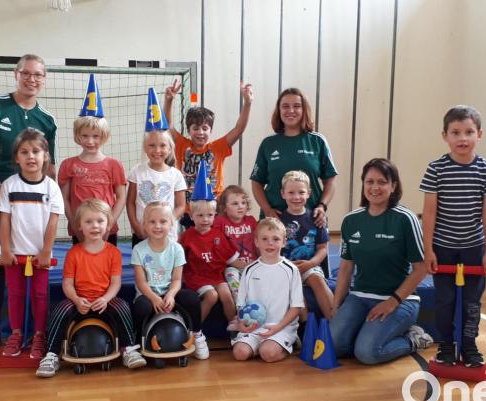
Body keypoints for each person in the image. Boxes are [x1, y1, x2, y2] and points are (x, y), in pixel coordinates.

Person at [0, 54, 58, 350]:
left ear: (44, 79)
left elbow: (51, 165)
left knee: (25, 269)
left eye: (38, 75)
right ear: (16, 74)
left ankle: (33, 332)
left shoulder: (47, 119)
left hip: (32, 200)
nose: (32, 79)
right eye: (27, 73)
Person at [420, 105, 486, 368]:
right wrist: (428, 249)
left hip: (473, 247)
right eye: (455, 132)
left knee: (471, 301)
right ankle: (446, 344)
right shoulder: (436, 169)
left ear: (479, 134)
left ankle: (469, 345)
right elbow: (429, 212)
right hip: (443, 246)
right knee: (444, 299)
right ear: (445, 135)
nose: (462, 138)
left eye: (468, 132)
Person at [328, 158, 433, 365]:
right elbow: (346, 267)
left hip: (400, 300)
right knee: (334, 345)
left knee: (367, 353)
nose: (375, 187)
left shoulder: (405, 219)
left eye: (382, 182)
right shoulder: (352, 220)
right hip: (360, 297)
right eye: (369, 181)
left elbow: (421, 270)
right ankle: (367, 333)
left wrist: (392, 301)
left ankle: (413, 339)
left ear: (393, 186)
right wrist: (336, 305)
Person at [36, 199, 147, 377]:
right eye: (88, 222)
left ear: (108, 224)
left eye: (100, 221)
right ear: (79, 226)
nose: (95, 226)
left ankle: (129, 349)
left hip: (104, 301)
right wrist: (77, 300)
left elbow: (115, 283)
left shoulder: (113, 252)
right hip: (80, 301)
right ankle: (51, 354)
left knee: (123, 307)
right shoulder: (74, 253)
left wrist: (106, 299)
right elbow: (67, 284)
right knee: (60, 309)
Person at [250, 88, 337, 276]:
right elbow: (256, 182)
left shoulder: (317, 142)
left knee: (312, 276)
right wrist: (267, 210)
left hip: (309, 221)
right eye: (285, 106)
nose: (291, 111)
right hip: (276, 220)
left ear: (304, 110)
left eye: (296, 106)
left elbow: (330, 180)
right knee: (272, 274)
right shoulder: (269, 144)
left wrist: (322, 206)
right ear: (278, 111)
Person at [0, 129, 63, 359]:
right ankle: (16, 333)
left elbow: (53, 223)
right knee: (14, 294)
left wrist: (46, 251)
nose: (31, 156)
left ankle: (39, 334)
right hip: (14, 254)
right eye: (24, 152)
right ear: (16, 158)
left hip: (40, 255)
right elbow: (4, 219)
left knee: (40, 295)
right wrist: (5, 249)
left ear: (46, 156)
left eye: (36, 151)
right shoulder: (9, 185)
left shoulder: (51, 187)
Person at [163, 80, 254, 228]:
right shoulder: (182, 145)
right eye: (196, 128)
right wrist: (169, 100)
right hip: (190, 210)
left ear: (210, 130)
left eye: (205, 128)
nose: (200, 132)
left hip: (215, 209)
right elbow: (168, 125)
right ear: (189, 129)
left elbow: (239, 128)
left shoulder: (218, 147)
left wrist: (247, 103)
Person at [179, 162, 242, 357]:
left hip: (215, 275)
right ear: (192, 215)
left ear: (215, 215)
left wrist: (250, 266)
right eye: (200, 215)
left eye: (209, 215)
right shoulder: (187, 236)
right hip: (197, 277)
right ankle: (193, 330)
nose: (205, 219)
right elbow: (180, 261)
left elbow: (231, 259)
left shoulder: (218, 234)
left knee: (225, 293)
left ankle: (235, 330)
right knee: (212, 296)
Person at [130, 202, 207, 360]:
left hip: (170, 293)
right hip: (149, 295)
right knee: (140, 307)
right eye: (152, 222)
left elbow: (177, 279)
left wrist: (171, 295)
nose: (157, 226)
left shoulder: (176, 249)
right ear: (144, 224)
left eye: (163, 221)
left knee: (191, 299)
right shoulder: (138, 249)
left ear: (172, 223)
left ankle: (197, 335)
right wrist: (154, 298)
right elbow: (141, 283)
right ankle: (137, 343)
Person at [58, 76, 126, 246]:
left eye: (95, 136)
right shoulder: (68, 165)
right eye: (85, 136)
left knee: (106, 268)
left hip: (107, 229)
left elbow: (121, 197)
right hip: (80, 229)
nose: (90, 141)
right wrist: (74, 223)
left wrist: (110, 222)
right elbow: (64, 198)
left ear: (104, 136)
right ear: (77, 136)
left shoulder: (113, 165)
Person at [232, 218, 304, 363]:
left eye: (275, 239)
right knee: (240, 353)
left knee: (268, 354)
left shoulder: (291, 270)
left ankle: (287, 344)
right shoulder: (249, 270)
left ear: (284, 242)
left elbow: (296, 307)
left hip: (281, 326)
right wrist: (243, 322)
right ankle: (259, 345)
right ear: (256, 242)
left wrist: (278, 327)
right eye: (264, 239)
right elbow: (241, 304)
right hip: (254, 326)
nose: (270, 243)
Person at [278, 171, 334, 319]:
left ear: (308, 193)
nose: (296, 197)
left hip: (310, 265)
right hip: (285, 268)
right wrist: (286, 266)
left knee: (317, 279)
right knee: (296, 292)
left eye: (301, 192)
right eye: (291, 192)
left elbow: (322, 248)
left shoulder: (316, 218)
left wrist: (311, 263)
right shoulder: (278, 221)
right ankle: (303, 329)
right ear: (283, 194)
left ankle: (334, 321)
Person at [127, 130, 187, 247]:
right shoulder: (137, 171)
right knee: (142, 263)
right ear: (145, 147)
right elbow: (130, 202)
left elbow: (181, 205)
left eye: (162, 145)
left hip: (167, 234)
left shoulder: (176, 175)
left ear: (170, 149)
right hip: (142, 232)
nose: (157, 150)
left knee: (166, 264)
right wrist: (135, 226)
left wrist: (167, 222)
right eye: (152, 145)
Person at [214, 185, 258, 301]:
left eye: (243, 203)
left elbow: (259, 243)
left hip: (251, 264)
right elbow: (218, 246)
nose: (240, 207)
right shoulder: (220, 222)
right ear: (224, 207)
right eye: (235, 204)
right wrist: (235, 263)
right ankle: (241, 309)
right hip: (231, 266)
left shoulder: (251, 221)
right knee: (232, 278)